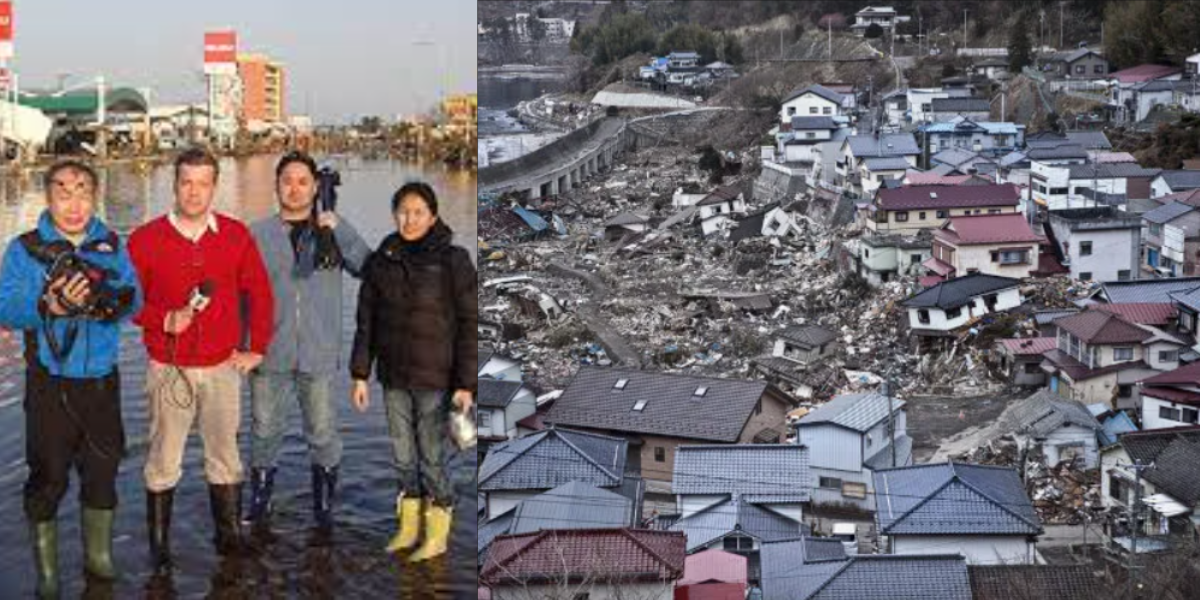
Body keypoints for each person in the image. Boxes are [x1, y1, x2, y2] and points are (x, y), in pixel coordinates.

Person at [128, 148, 274, 573]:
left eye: (203, 183)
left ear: (214, 186)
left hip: (222, 367)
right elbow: (126, 301)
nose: (194, 192)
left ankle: (228, 535)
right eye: (186, 182)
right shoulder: (145, 239)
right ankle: (159, 546)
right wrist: (161, 317)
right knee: (163, 459)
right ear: (175, 185)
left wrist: (257, 347)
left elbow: (260, 293)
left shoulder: (234, 235)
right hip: (167, 368)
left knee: (225, 454)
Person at [0, 160, 141, 596]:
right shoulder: (24, 249)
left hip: (101, 384)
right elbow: (6, 308)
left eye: (83, 192)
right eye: (64, 192)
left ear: (95, 195)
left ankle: (99, 560)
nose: (74, 203)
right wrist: (52, 305)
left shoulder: (112, 243)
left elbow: (135, 299)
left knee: (102, 472)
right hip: (50, 385)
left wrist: (111, 301)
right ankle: (47, 574)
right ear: (48, 197)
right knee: (48, 477)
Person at [350, 181, 476, 562]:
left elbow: (470, 322)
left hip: (437, 380)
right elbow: (366, 322)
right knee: (403, 457)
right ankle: (409, 527)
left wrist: (466, 384)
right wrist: (359, 373)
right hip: (394, 377)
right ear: (394, 214)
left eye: (418, 211)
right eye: (403, 211)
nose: (410, 219)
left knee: (432, 458)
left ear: (433, 216)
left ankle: (437, 532)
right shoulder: (381, 260)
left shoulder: (453, 260)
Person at [247, 151, 370, 537]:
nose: (295, 188)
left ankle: (323, 507)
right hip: (269, 353)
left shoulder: (331, 231)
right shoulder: (257, 234)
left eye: (303, 181)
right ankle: (260, 501)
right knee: (265, 430)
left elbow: (367, 267)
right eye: (287, 181)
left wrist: (340, 227)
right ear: (276, 186)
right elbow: (239, 294)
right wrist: (241, 345)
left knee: (321, 431)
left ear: (316, 186)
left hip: (317, 354)